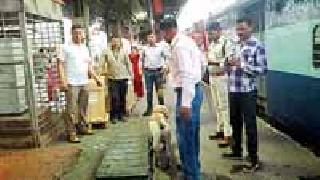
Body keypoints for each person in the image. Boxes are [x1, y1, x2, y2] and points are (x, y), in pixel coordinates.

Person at [223, 18, 267, 172]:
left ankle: (253, 159)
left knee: (250, 126)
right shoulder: (235, 45)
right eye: (237, 29)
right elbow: (228, 66)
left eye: (242, 29)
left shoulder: (258, 46)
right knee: (234, 122)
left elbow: (262, 70)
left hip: (248, 92)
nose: (239, 32)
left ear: (251, 27)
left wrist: (242, 65)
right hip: (233, 89)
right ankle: (236, 151)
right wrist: (227, 63)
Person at [162, 19, 204, 180]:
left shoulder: (180, 46)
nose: (163, 37)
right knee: (191, 136)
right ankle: (193, 170)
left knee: (185, 137)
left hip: (188, 93)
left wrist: (186, 103)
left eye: (163, 33)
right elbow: (201, 63)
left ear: (168, 31)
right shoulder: (186, 42)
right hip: (194, 90)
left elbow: (186, 74)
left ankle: (192, 175)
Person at [58, 25, 101, 143]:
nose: (78, 35)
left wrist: (96, 78)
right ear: (71, 34)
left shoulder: (84, 48)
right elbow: (60, 64)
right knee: (71, 109)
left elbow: (88, 66)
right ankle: (71, 133)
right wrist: (63, 80)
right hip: (71, 82)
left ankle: (82, 127)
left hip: (84, 81)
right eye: (75, 33)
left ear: (83, 35)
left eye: (80, 33)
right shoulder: (65, 47)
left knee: (83, 107)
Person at [207, 23, 233, 148]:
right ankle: (220, 130)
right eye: (209, 32)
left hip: (222, 77)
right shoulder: (211, 44)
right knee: (216, 105)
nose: (210, 35)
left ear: (219, 31)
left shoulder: (225, 43)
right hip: (212, 78)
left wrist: (214, 62)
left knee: (224, 106)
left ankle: (228, 135)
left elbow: (228, 62)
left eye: (212, 32)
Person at [101, 36, 132, 124]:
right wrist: (100, 73)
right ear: (111, 42)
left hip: (123, 77)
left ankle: (122, 115)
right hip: (112, 78)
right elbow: (101, 63)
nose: (115, 43)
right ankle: (113, 116)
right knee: (114, 97)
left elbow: (128, 63)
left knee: (122, 97)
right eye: (114, 41)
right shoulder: (106, 51)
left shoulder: (124, 51)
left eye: (117, 41)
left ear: (120, 42)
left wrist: (131, 75)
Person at [141, 30, 166, 116]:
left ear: (155, 38)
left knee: (159, 91)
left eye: (152, 37)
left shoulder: (160, 47)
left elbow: (165, 57)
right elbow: (142, 60)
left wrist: (164, 67)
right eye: (149, 37)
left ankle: (162, 109)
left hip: (158, 71)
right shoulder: (144, 49)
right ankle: (149, 109)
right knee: (149, 91)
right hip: (148, 72)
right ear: (147, 38)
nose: (151, 39)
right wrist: (142, 70)